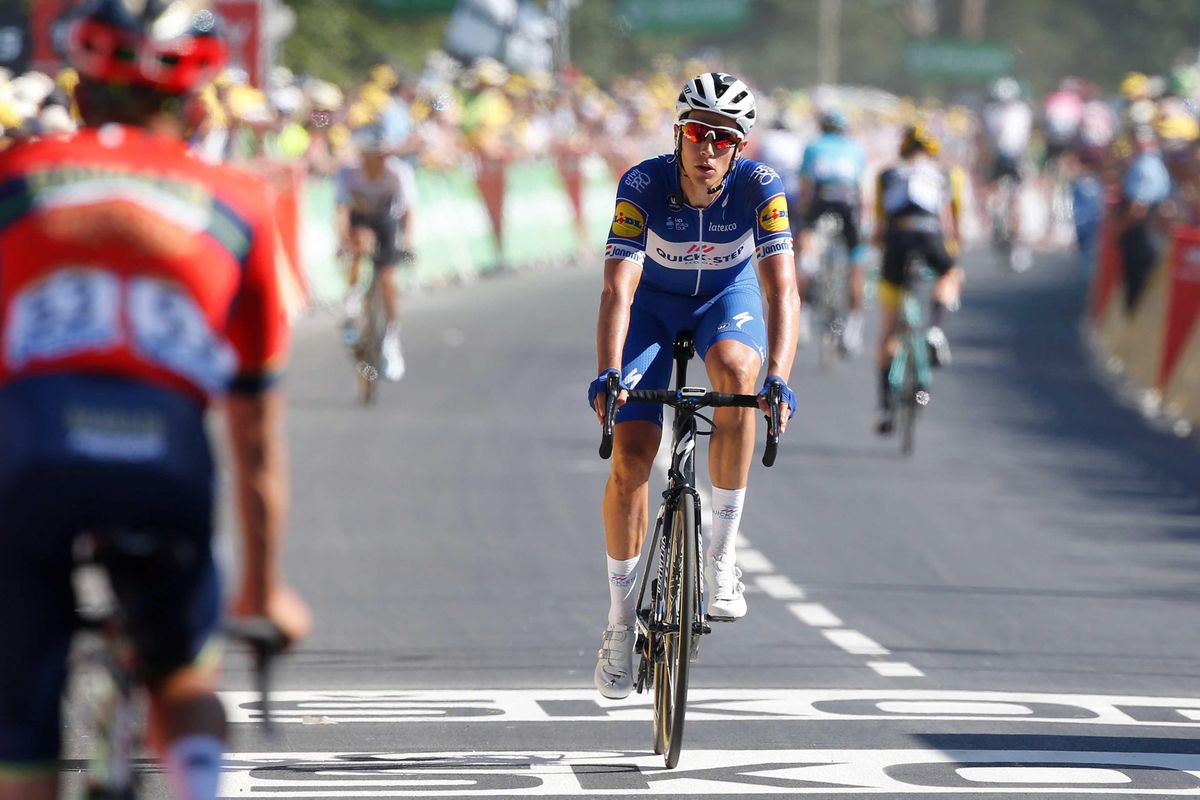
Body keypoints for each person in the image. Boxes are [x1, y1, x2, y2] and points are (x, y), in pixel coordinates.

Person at [0, 2, 311, 799]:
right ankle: (196, 779)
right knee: (183, 676)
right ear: (200, 109)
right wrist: (264, 591)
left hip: (31, 458)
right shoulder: (240, 201)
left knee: (23, 733)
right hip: (164, 462)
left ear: (76, 97)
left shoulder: (16, 179)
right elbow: (254, 435)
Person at [588, 72, 799, 699]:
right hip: (651, 307)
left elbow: (781, 289)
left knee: (739, 377)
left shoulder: (762, 189)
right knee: (630, 456)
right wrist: (608, 372)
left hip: (724, 304)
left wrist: (780, 378)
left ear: (739, 147)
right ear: (678, 135)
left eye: (722, 138)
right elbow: (617, 288)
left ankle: (721, 556)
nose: (707, 149)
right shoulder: (642, 184)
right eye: (696, 134)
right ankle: (620, 624)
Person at [872, 125, 965, 435]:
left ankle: (885, 406)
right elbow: (949, 224)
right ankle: (936, 329)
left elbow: (879, 226)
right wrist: (951, 251)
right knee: (951, 272)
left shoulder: (887, 174)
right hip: (928, 233)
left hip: (898, 238)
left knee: (889, 329)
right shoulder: (943, 174)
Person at [336, 123, 417, 381]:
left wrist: (408, 244)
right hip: (361, 220)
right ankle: (352, 300)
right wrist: (342, 240)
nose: (382, 159)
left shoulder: (398, 172)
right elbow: (340, 210)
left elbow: (409, 212)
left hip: (387, 220)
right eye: (375, 155)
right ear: (363, 156)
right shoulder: (348, 173)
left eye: (384, 154)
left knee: (388, 281)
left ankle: (391, 341)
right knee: (360, 242)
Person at [796, 109, 868, 353]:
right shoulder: (856, 148)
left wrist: (802, 218)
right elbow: (859, 188)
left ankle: (802, 315)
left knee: (804, 247)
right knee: (857, 258)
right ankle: (854, 327)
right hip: (847, 200)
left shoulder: (813, 146)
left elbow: (806, 186)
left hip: (822, 197)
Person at [1115, 124, 1170, 314]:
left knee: (1138, 286)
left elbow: (1139, 207)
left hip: (1141, 235)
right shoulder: (1147, 163)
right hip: (1144, 233)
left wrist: (1120, 229)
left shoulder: (1147, 165)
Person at [981, 76, 1033, 268]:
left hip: (1009, 158)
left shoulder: (993, 111)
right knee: (1011, 197)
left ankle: (1007, 228)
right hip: (1009, 157)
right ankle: (1003, 224)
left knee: (1012, 198)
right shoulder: (1021, 110)